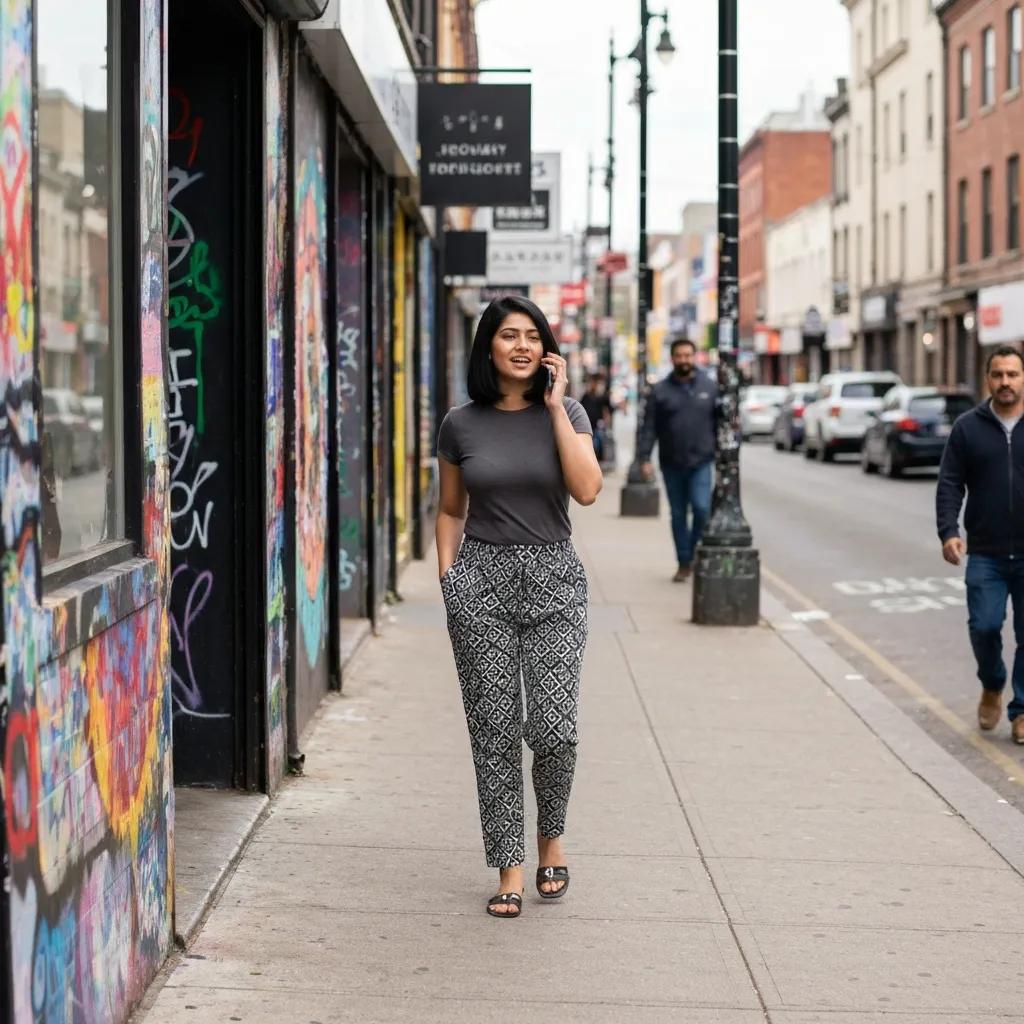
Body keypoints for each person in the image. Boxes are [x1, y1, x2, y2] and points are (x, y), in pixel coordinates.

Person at [435, 296, 603, 919]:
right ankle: (508, 868)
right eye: (509, 335)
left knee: (555, 730)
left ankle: (549, 840)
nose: (523, 346)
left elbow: (587, 490)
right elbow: (451, 509)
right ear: (489, 346)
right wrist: (451, 581)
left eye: (533, 335)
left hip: (554, 579)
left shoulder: (569, 413)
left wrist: (557, 408)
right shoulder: (460, 423)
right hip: (480, 580)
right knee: (495, 732)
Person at [936, 344, 1024, 745]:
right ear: (987, 379)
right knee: (985, 627)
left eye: (1012, 374)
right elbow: (950, 481)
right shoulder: (968, 427)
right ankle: (992, 682)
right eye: (998, 375)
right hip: (986, 552)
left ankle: (1021, 711)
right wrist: (949, 531)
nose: (1005, 382)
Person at [637, 338, 717, 582]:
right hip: (671, 462)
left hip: (702, 461)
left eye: (688, 355)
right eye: (679, 356)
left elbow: (724, 423)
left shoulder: (710, 387)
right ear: (672, 359)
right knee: (679, 514)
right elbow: (649, 427)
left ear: (695, 357)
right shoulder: (660, 391)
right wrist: (644, 457)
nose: (684, 360)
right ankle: (683, 561)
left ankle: (691, 553)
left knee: (702, 509)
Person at [579, 373, 613, 461]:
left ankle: (598, 460)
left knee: (598, 443)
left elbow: (609, 408)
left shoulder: (602, 397)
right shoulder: (586, 396)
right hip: (587, 426)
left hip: (598, 426)